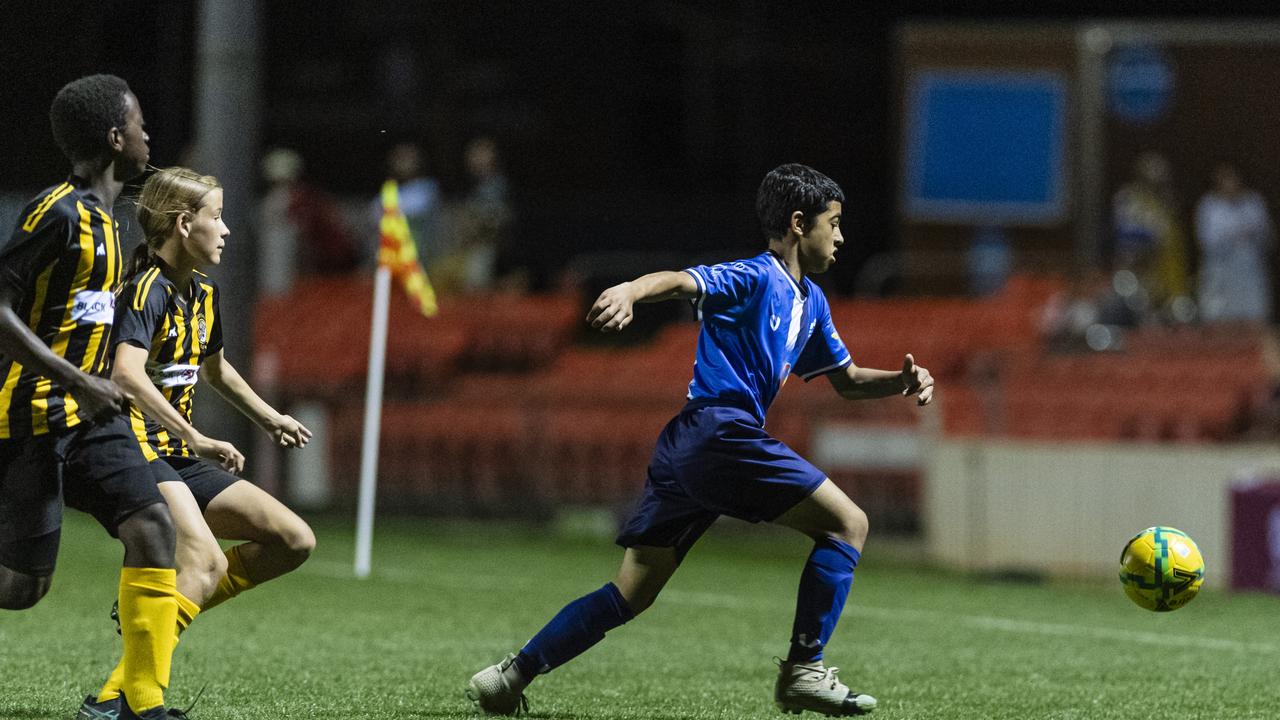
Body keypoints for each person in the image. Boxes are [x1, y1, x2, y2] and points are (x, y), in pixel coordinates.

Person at [466, 164, 934, 716]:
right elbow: (682, 280)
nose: (841, 236)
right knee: (848, 523)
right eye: (833, 223)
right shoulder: (757, 276)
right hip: (720, 432)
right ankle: (804, 669)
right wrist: (631, 290)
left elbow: (848, 380)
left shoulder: (813, 304)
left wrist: (899, 383)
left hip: (690, 447)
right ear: (798, 223)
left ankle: (510, 677)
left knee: (631, 593)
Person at [91, 166, 317, 705]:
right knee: (207, 561)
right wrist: (195, 435)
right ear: (184, 223)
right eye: (217, 216)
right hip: (132, 450)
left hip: (176, 452)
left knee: (293, 541)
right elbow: (125, 374)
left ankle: (153, 613)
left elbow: (215, 371)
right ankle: (115, 699)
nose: (227, 229)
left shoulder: (204, 294)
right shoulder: (145, 290)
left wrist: (269, 417)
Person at [0, 74, 186, 720]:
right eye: (138, 125)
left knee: (154, 529)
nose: (147, 135)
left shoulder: (112, 223)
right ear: (115, 137)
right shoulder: (56, 213)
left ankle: (138, 702)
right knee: (23, 589)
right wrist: (79, 378)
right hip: (33, 418)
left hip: (95, 420)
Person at [1111, 152, 1191, 316]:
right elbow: (1125, 230)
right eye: (1152, 173)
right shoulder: (1129, 197)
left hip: (1163, 261)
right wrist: (1148, 238)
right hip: (1137, 259)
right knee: (1136, 302)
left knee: (1168, 304)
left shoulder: (1166, 200)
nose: (1156, 180)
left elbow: (1169, 233)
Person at [1195, 162, 1274, 323]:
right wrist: (1233, 235)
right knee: (1220, 320)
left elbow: (1267, 236)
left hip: (1249, 271)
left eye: (1232, 179)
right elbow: (1206, 240)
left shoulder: (1253, 203)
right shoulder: (1209, 206)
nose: (1230, 184)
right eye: (1224, 180)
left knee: (1254, 317)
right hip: (1220, 271)